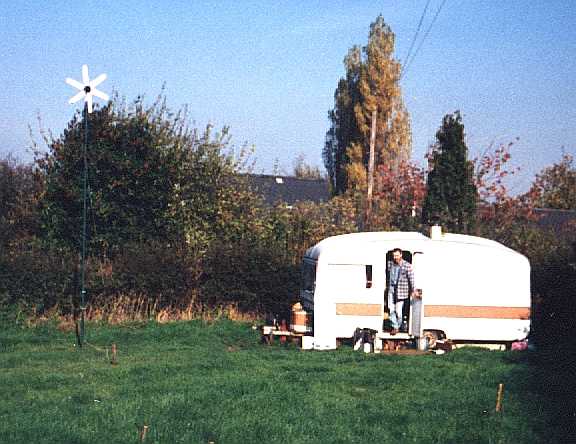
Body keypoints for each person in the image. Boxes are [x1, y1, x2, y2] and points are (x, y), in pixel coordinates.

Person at [387, 248, 416, 334]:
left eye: (397, 255)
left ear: (401, 255)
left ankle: (398, 325)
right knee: (390, 309)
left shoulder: (407, 265)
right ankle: (395, 326)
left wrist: (413, 290)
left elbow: (411, 279)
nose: (395, 257)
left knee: (398, 311)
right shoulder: (390, 264)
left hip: (401, 290)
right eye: (394, 256)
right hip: (391, 289)